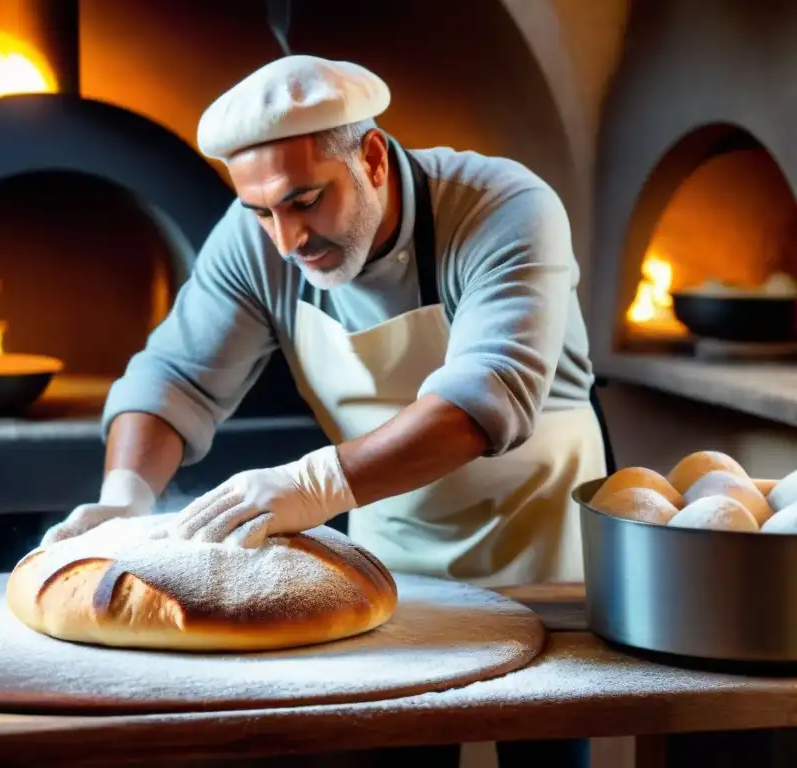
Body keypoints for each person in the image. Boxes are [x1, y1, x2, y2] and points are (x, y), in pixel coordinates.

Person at [43, 55, 605, 767]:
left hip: (540, 543)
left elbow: (487, 395)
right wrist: (125, 494)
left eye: (306, 201)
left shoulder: (503, 206)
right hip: (393, 546)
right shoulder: (260, 238)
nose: (287, 240)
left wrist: (312, 486)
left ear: (371, 157)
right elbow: (174, 377)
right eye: (263, 212)